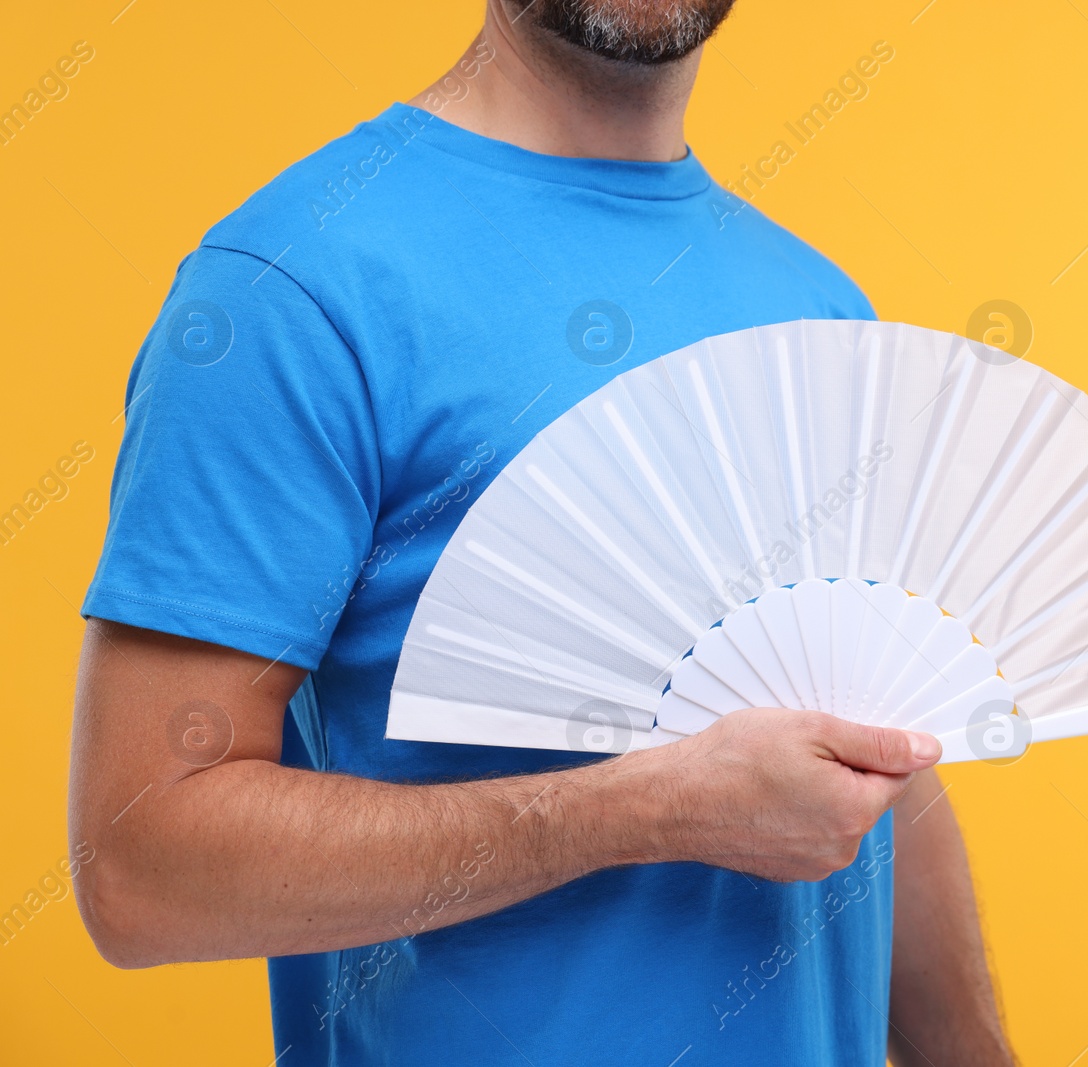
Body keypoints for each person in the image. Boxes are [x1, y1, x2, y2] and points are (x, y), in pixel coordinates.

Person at [69, 2, 1015, 1064]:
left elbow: (884, 764)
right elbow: (141, 867)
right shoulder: (289, 293)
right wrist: (641, 810)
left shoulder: (820, 308)